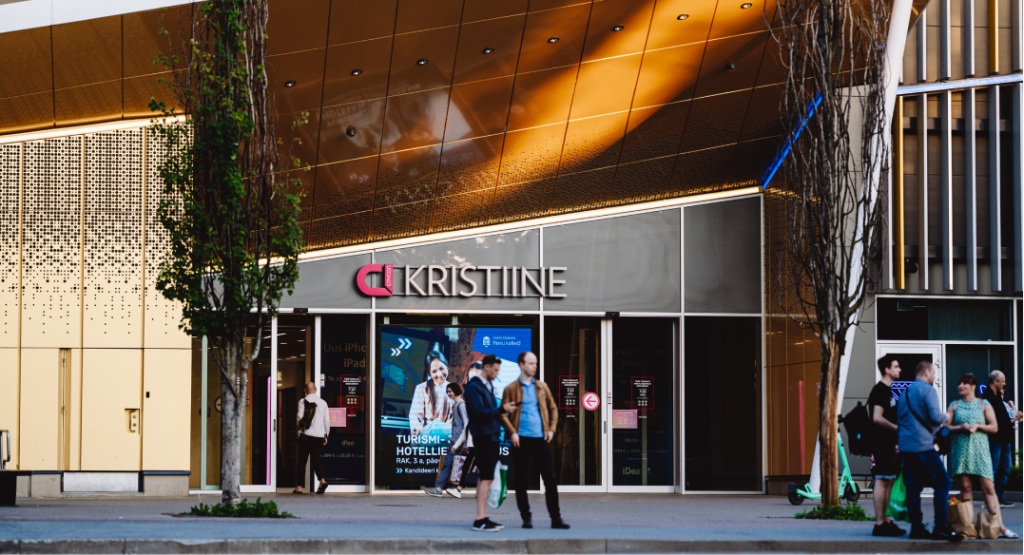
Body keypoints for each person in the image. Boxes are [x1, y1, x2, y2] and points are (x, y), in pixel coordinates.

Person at [499, 351, 570, 530]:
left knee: (550, 479)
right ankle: (526, 518)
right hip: (520, 440)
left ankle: (556, 518)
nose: (534, 366)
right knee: (521, 481)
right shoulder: (511, 388)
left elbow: (553, 408)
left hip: (540, 439)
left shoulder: (541, 387)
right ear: (521, 365)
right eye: (531, 363)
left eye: (536, 363)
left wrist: (552, 429)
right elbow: (502, 413)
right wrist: (512, 432)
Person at [945, 373, 1018, 539]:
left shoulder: (984, 404)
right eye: (959, 383)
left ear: (973, 387)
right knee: (966, 489)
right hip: (962, 452)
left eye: (965, 383)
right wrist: (960, 427)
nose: (961, 386)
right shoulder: (954, 405)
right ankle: (968, 527)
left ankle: (1000, 527)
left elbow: (994, 427)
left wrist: (978, 426)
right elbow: (945, 427)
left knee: (989, 488)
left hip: (981, 451)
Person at [896, 361, 962, 542]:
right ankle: (940, 527)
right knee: (943, 482)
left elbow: (900, 420)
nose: (935, 377)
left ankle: (916, 527)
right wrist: (947, 416)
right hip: (923, 445)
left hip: (906, 446)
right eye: (933, 373)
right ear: (926, 372)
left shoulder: (904, 392)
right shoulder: (928, 390)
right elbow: (935, 417)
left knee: (913, 485)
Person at [464, 354, 517, 532]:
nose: (496, 373)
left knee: (485, 476)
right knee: (487, 477)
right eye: (494, 370)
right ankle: (480, 519)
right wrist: (502, 409)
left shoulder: (487, 385)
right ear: (486, 367)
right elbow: (479, 412)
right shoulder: (473, 387)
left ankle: (482, 517)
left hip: (490, 436)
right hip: (483, 436)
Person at [867, 355, 904, 537]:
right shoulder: (880, 390)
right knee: (882, 480)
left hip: (888, 443)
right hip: (881, 443)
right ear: (887, 370)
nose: (899, 369)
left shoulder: (888, 391)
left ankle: (887, 520)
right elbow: (877, 417)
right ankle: (880, 523)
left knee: (889, 480)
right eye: (896, 366)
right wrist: (896, 428)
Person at [982, 370, 1023, 508]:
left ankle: (998, 497)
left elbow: (1003, 419)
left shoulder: (997, 397)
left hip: (1004, 439)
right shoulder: (986, 398)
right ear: (995, 382)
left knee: (1005, 468)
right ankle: (991, 499)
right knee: (993, 469)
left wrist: (1014, 418)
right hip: (994, 439)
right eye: (1003, 381)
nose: (1005, 383)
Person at [425, 382, 468, 499]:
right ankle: (439, 488)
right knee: (450, 464)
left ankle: (439, 488)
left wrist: (464, 442)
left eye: (450, 391)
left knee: (452, 464)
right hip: (456, 440)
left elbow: (466, 424)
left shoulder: (461, 405)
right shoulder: (455, 406)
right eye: (447, 392)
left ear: (456, 391)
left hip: (459, 441)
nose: (448, 394)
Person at [293, 381, 331, 495]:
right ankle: (322, 481)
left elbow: (299, 417)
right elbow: (327, 421)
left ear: (305, 390)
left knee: (302, 460)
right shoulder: (323, 403)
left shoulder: (302, 401)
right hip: (319, 435)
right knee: (316, 459)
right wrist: (326, 434)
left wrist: (299, 430)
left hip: (306, 435)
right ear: (316, 389)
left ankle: (299, 487)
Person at [409, 349, 452, 439]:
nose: (439, 374)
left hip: (446, 436)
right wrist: (418, 427)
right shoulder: (421, 388)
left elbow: (454, 418)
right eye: (434, 371)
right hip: (427, 435)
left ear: (447, 366)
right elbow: (415, 416)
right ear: (429, 373)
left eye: (441, 368)